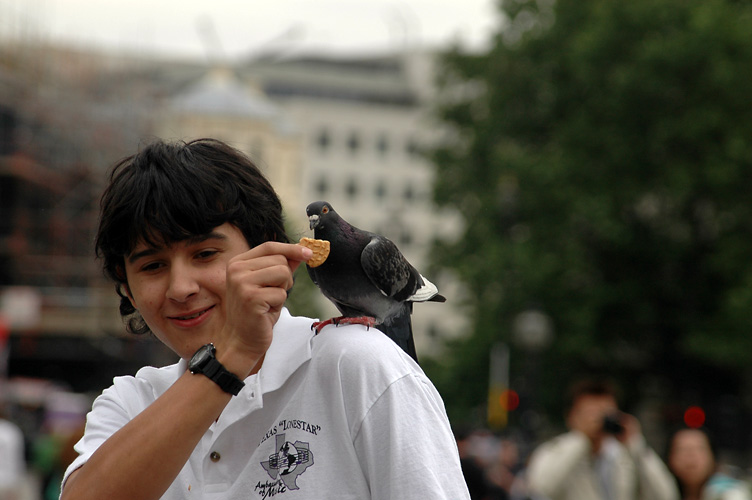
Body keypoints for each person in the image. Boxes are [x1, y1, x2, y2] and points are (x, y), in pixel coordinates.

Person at [60, 138, 471, 500]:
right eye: (152, 266)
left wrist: (233, 353)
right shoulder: (131, 402)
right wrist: (228, 360)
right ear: (127, 288)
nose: (181, 288)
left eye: (205, 254)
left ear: (270, 253)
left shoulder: (361, 365)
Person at [526, 378, 678, 500]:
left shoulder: (625, 456)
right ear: (571, 416)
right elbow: (541, 488)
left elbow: (665, 495)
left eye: (605, 412)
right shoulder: (555, 450)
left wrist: (636, 444)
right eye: (589, 412)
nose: (597, 419)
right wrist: (581, 439)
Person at [667, 427, 751, 500]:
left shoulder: (729, 493)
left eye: (699, 449)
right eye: (682, 449)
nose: (691, 456)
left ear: (713, 457)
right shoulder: (665, 493)